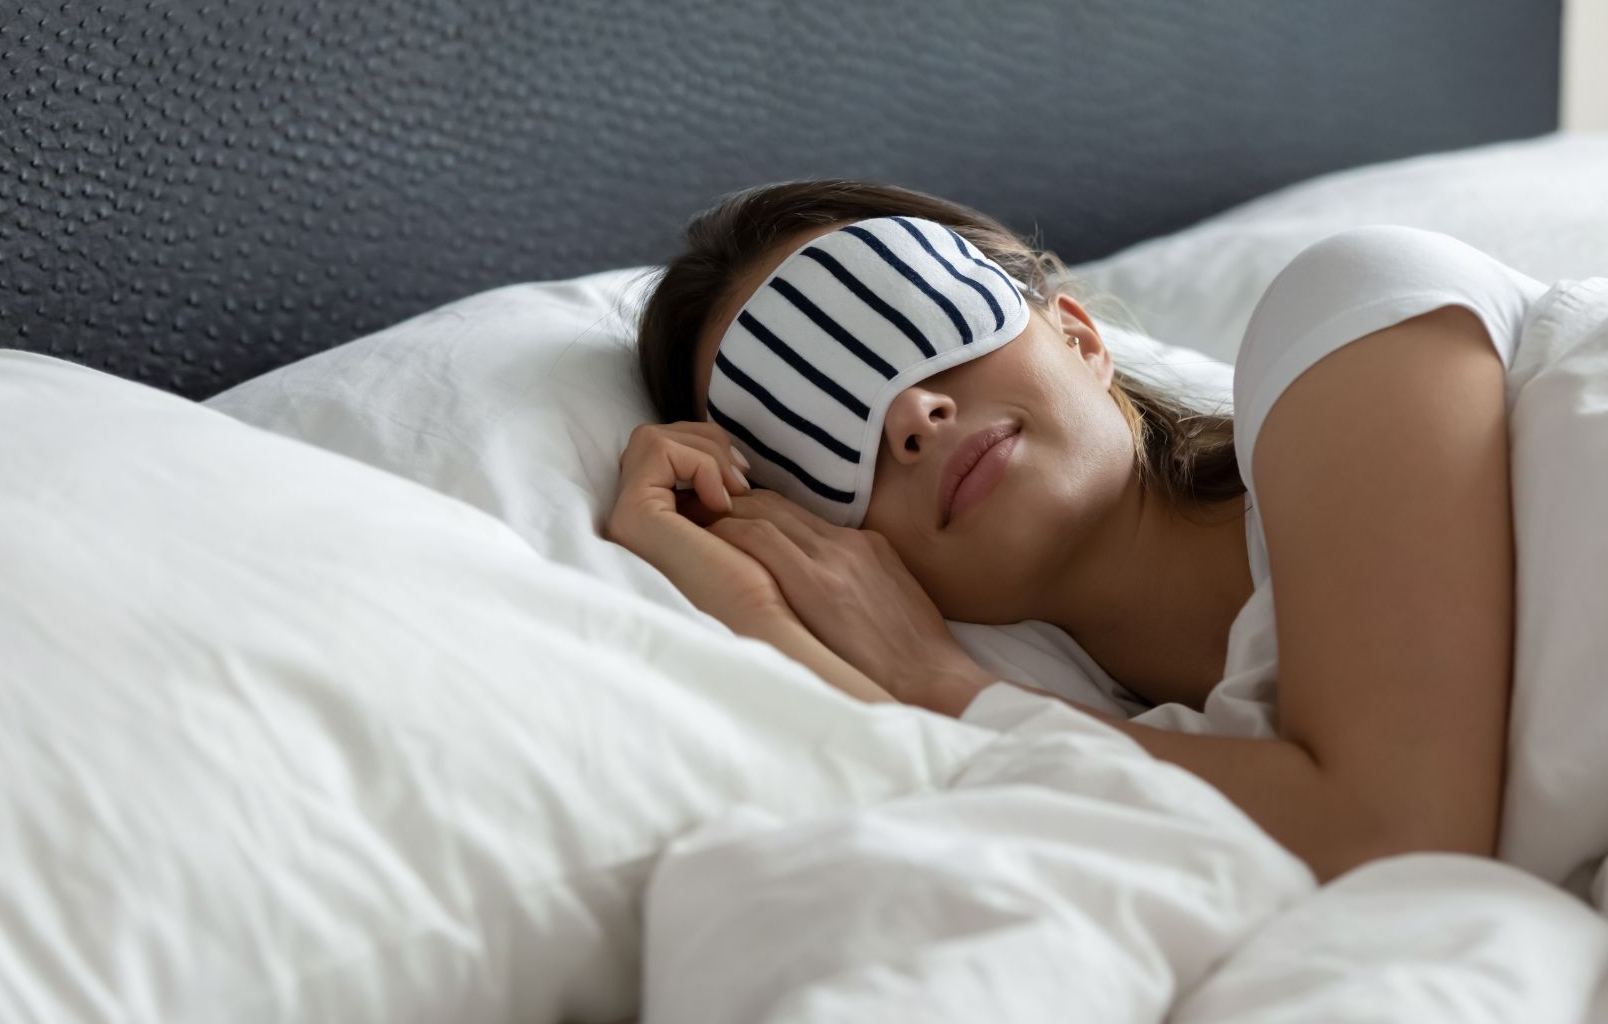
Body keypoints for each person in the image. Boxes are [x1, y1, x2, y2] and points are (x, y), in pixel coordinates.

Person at [607, 178, 1532, 885]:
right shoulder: (1160, 758)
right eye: (816, 431)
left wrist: (936, 680)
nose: (911, 417)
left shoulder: (1350, 323)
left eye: (908, 321)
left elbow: (1396, 837)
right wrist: (758, 611)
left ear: (1082, 339)